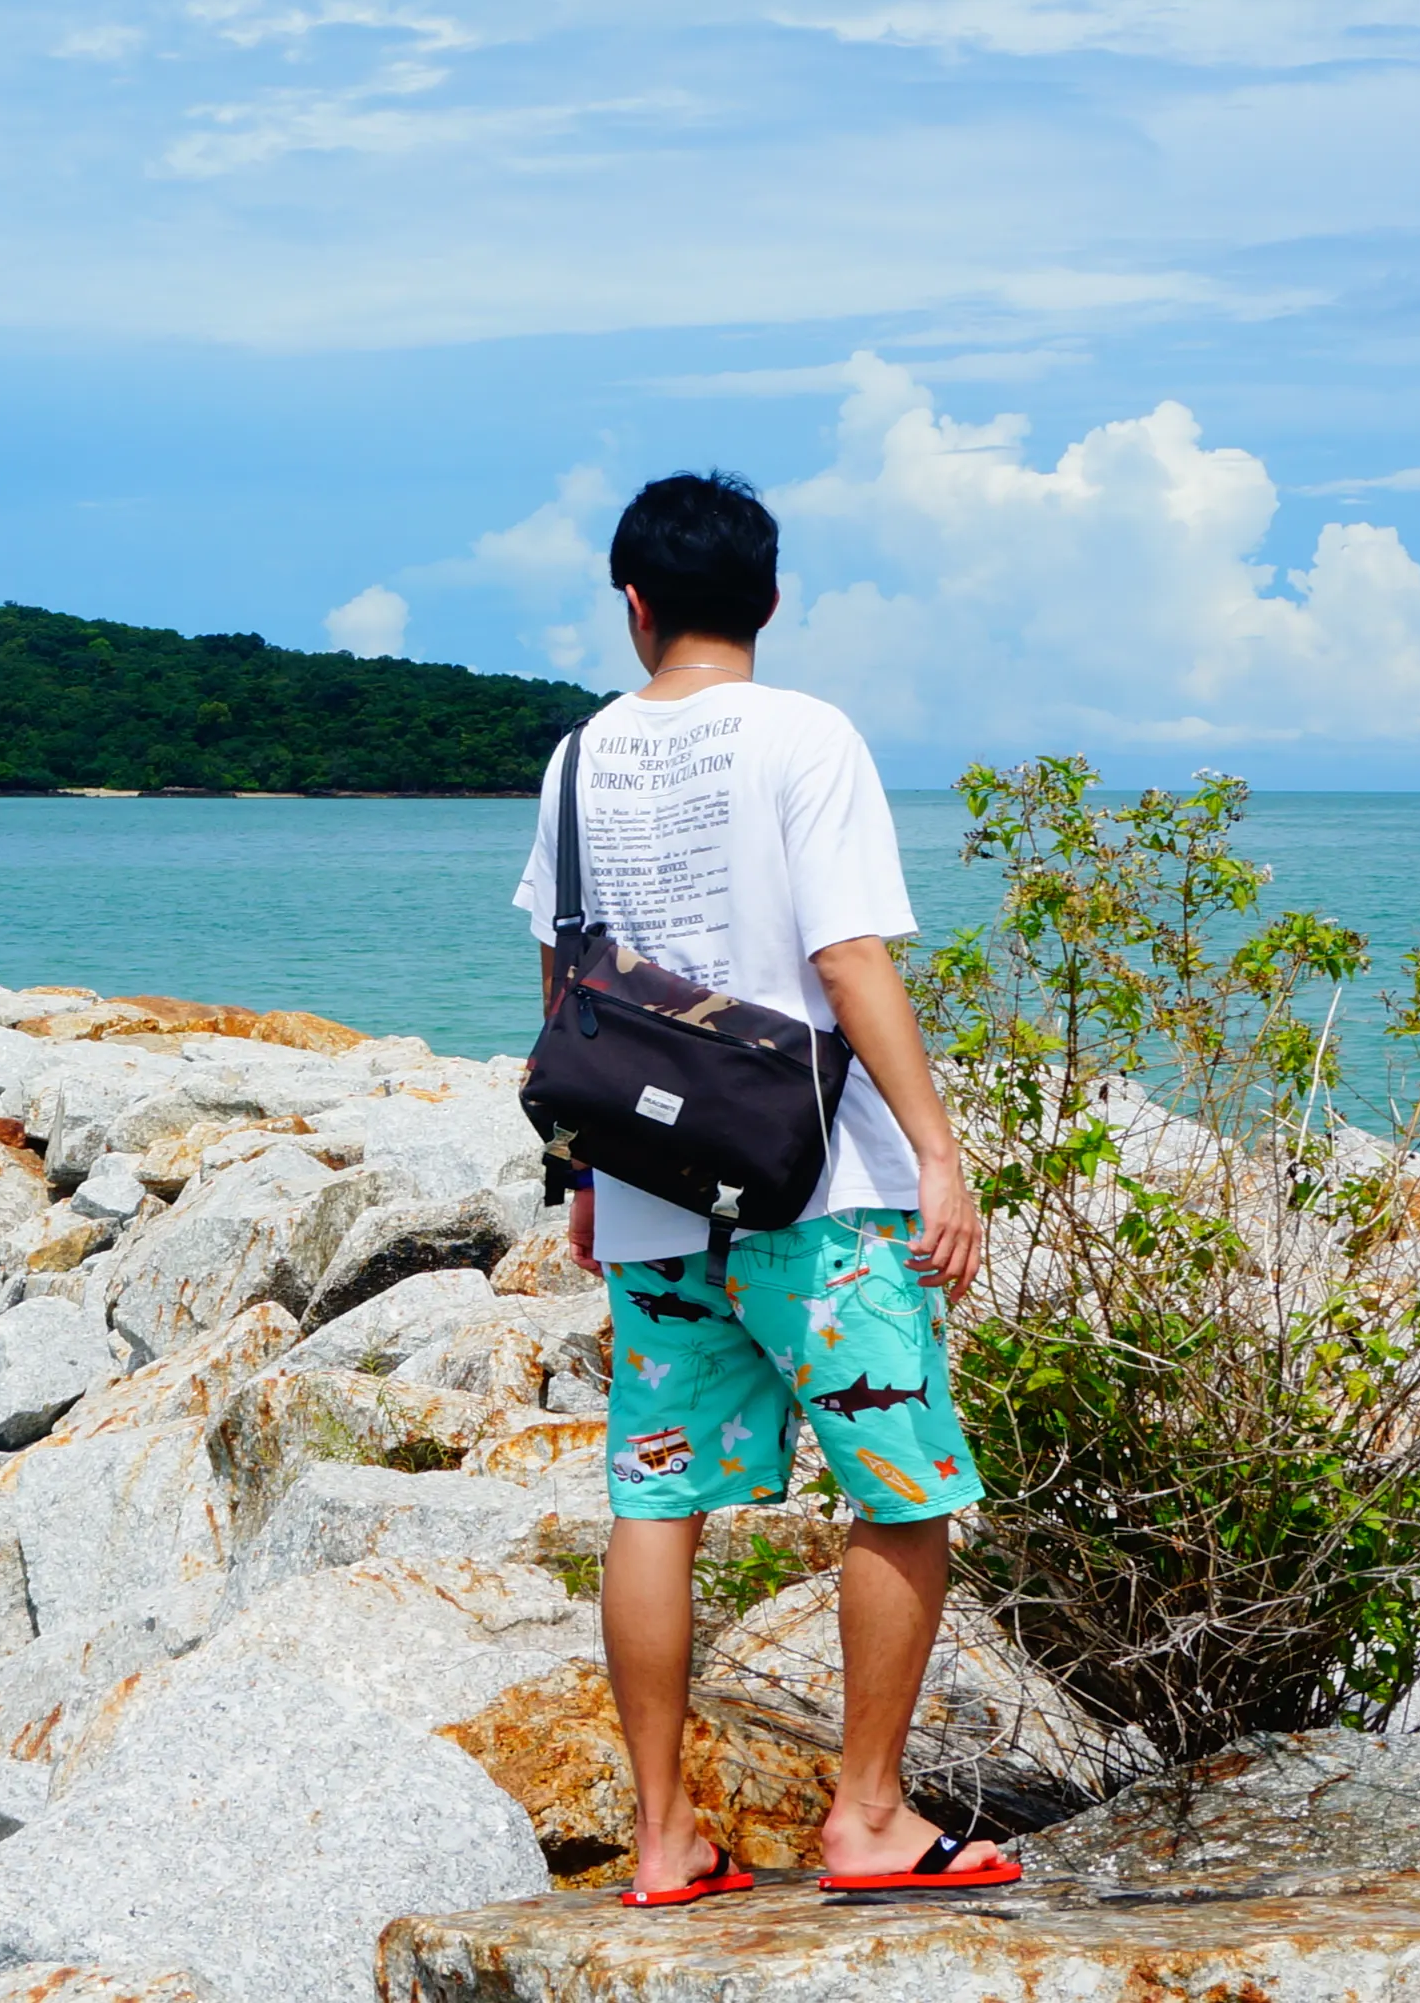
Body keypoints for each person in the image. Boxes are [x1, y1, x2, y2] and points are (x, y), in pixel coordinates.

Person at [510, 470, 1010, 1903]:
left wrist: (584, 1177)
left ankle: (664, 1836)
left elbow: (567, 988)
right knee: (901, 1485)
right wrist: (936, 1147)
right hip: (816, 1192)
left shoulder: (576, 759)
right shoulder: (808, 735)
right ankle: (866, 1815)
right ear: (770, 599)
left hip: (659, 1189)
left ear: (635, 604)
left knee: (655, 1501)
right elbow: (850, 956)